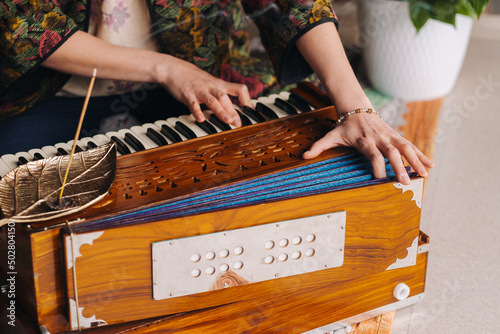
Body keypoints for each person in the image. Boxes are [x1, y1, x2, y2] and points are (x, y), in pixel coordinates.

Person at [0, 0, 433, 185]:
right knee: (20, 202)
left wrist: (353, 106)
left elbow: (291, 3)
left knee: (259, 172)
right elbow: (25, 23)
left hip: (207, 79)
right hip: (51, 93)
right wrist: (166, 69)